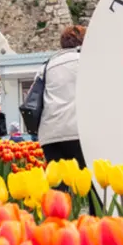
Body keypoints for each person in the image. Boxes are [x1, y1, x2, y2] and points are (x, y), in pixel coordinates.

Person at [39, 26, 85, 167]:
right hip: (79, 132)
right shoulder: (85, 61)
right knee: (85, 184)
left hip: (50, 135)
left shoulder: (47, 66)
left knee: (59, 185)